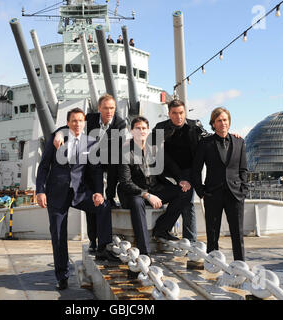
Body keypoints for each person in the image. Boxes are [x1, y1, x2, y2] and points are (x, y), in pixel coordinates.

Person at [36, 108, 118, 291]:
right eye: (73, 120)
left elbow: (96, 170)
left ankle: (103, 247)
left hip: (80, 192)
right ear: (67, 123)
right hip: (57, 193)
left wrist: (98, 192)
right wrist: (40, 191)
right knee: (58, 235)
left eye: (80, 120)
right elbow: (43, 167)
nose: (77, 124)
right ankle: (62, 276)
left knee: (103, 206)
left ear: (84, 123)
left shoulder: (90, 142)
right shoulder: (56, 138)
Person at [53, 94, 126, 253]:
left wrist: (106, 191)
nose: (109, 111)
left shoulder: (120, 123)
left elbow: (117, 151)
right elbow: (73, 126)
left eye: (112, 108)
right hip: (90, 161)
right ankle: (93, 239)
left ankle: (111, 196)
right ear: (99, 108)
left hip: (108, 158)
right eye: (105, 108)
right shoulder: (91, 119)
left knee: (115, 164)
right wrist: (59, 133)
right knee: (93, 199)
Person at [117, 116, 190, 256]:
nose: (141, 131)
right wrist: (147, 195)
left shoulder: (155, 149)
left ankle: (161, 229)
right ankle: (144, 252)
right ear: (132, 132)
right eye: (137, 128)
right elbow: (126, 182)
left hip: (154, 189)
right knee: (138, 203)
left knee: (184, 192)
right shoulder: (125, 153)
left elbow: (171, 166)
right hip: (134, 193)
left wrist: (181, 180)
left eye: (144, 128)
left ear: (148, 131)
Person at [192, 107, 248, 261]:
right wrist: (201, 191)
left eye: (225, 119)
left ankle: (240, 264)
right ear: (213, 123)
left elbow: (243, 169)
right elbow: (196, 170)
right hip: (212, 194)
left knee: (237, 234)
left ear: (229, 122)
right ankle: (212, 264)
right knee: (212, 233)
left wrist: (243, 190)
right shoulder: (205, 143)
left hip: (235, 194)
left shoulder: (239, 142)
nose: (222, 123)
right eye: (219, 120)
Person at [151, 99, 209, 243]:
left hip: (189, 170)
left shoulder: (195, 126)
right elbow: (150, 146)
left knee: (187, 201)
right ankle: (164, 230)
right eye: (175, 113)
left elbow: (209, 139)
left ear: (185, 112)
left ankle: (189, 240)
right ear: (169, 113)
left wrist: (231, 137)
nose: (179, 117)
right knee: (183, 199)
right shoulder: (160, 127)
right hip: (167, 172)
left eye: (181, 113)